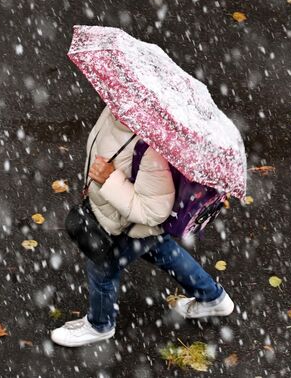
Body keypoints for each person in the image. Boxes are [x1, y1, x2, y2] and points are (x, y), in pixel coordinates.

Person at [50, 105, 235, 348]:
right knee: (162, 250)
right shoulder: (118, 109)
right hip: (123, 219)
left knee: (102, 268)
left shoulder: (151, 150)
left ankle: (100, 325)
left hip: (128, 226)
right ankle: (212, 297)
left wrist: (109, 179)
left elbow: (153, 211)